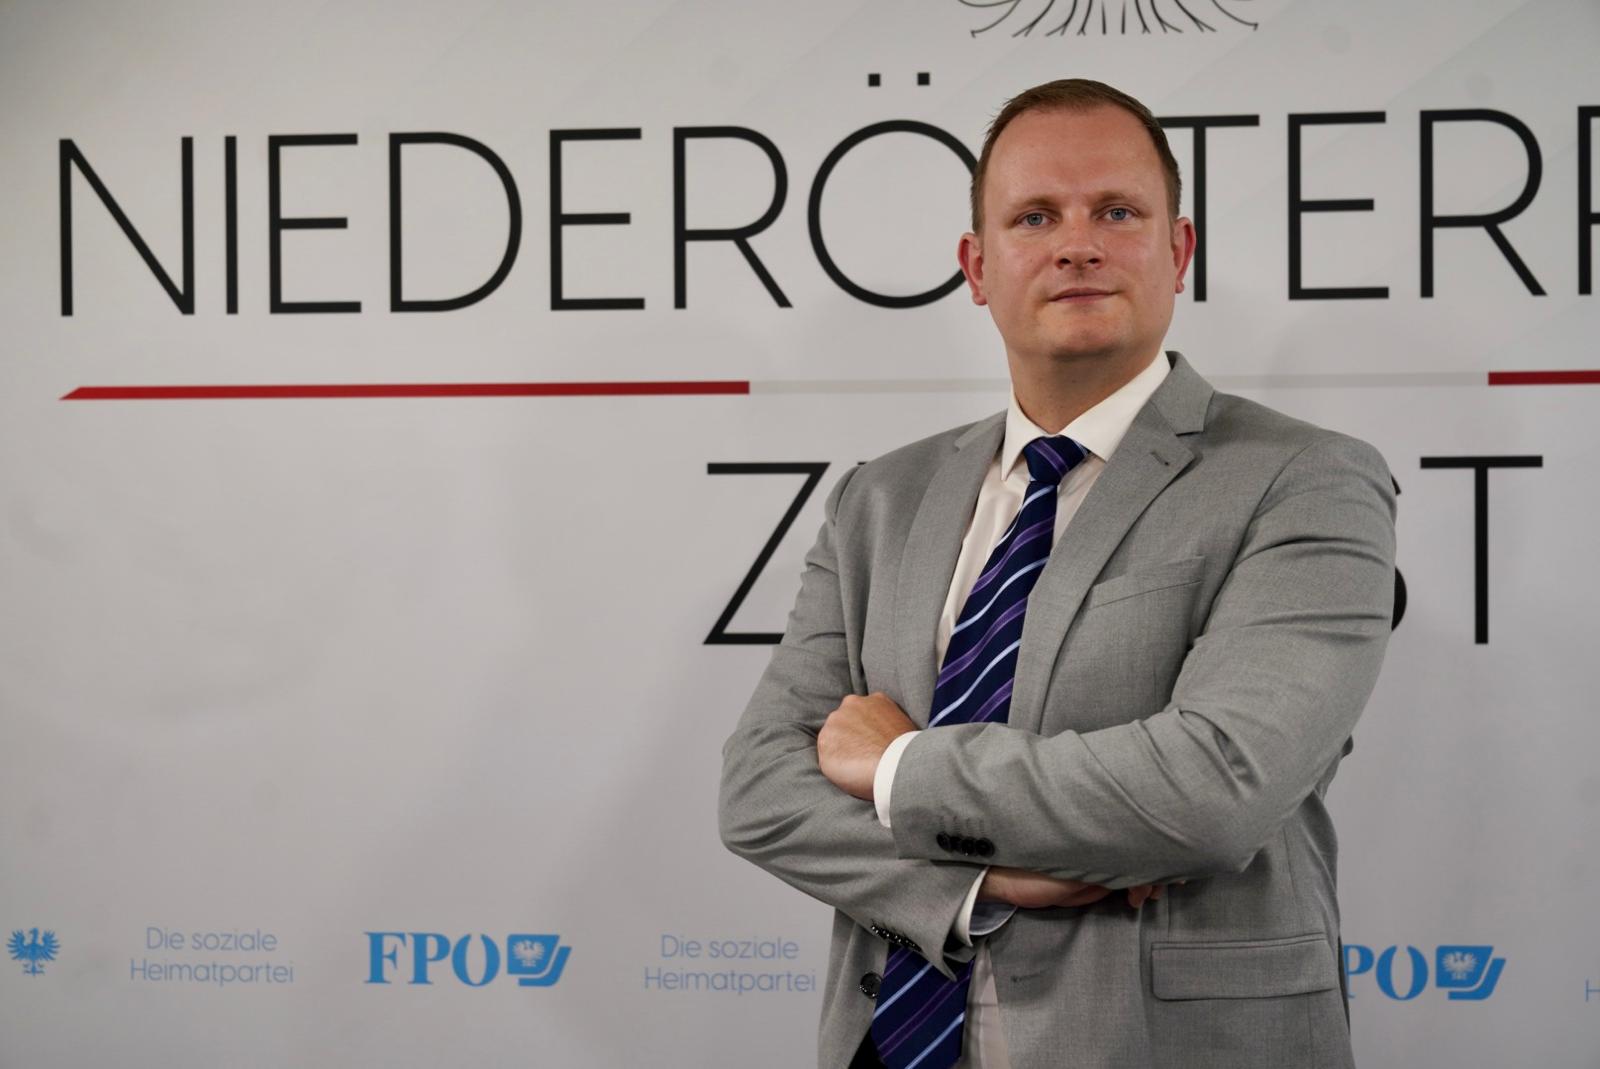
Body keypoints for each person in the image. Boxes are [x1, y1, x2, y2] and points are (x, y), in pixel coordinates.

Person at [719, 78, 1395, 1069]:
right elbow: (760, 788)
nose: (1077, 244)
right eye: (1035, 216)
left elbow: (1214, 787)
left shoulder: (1305, 480)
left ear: (1178, 251)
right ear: (977, 266)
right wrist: (978, 885)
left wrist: (900, 768)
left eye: (1116, 212)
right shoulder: (880, 497)